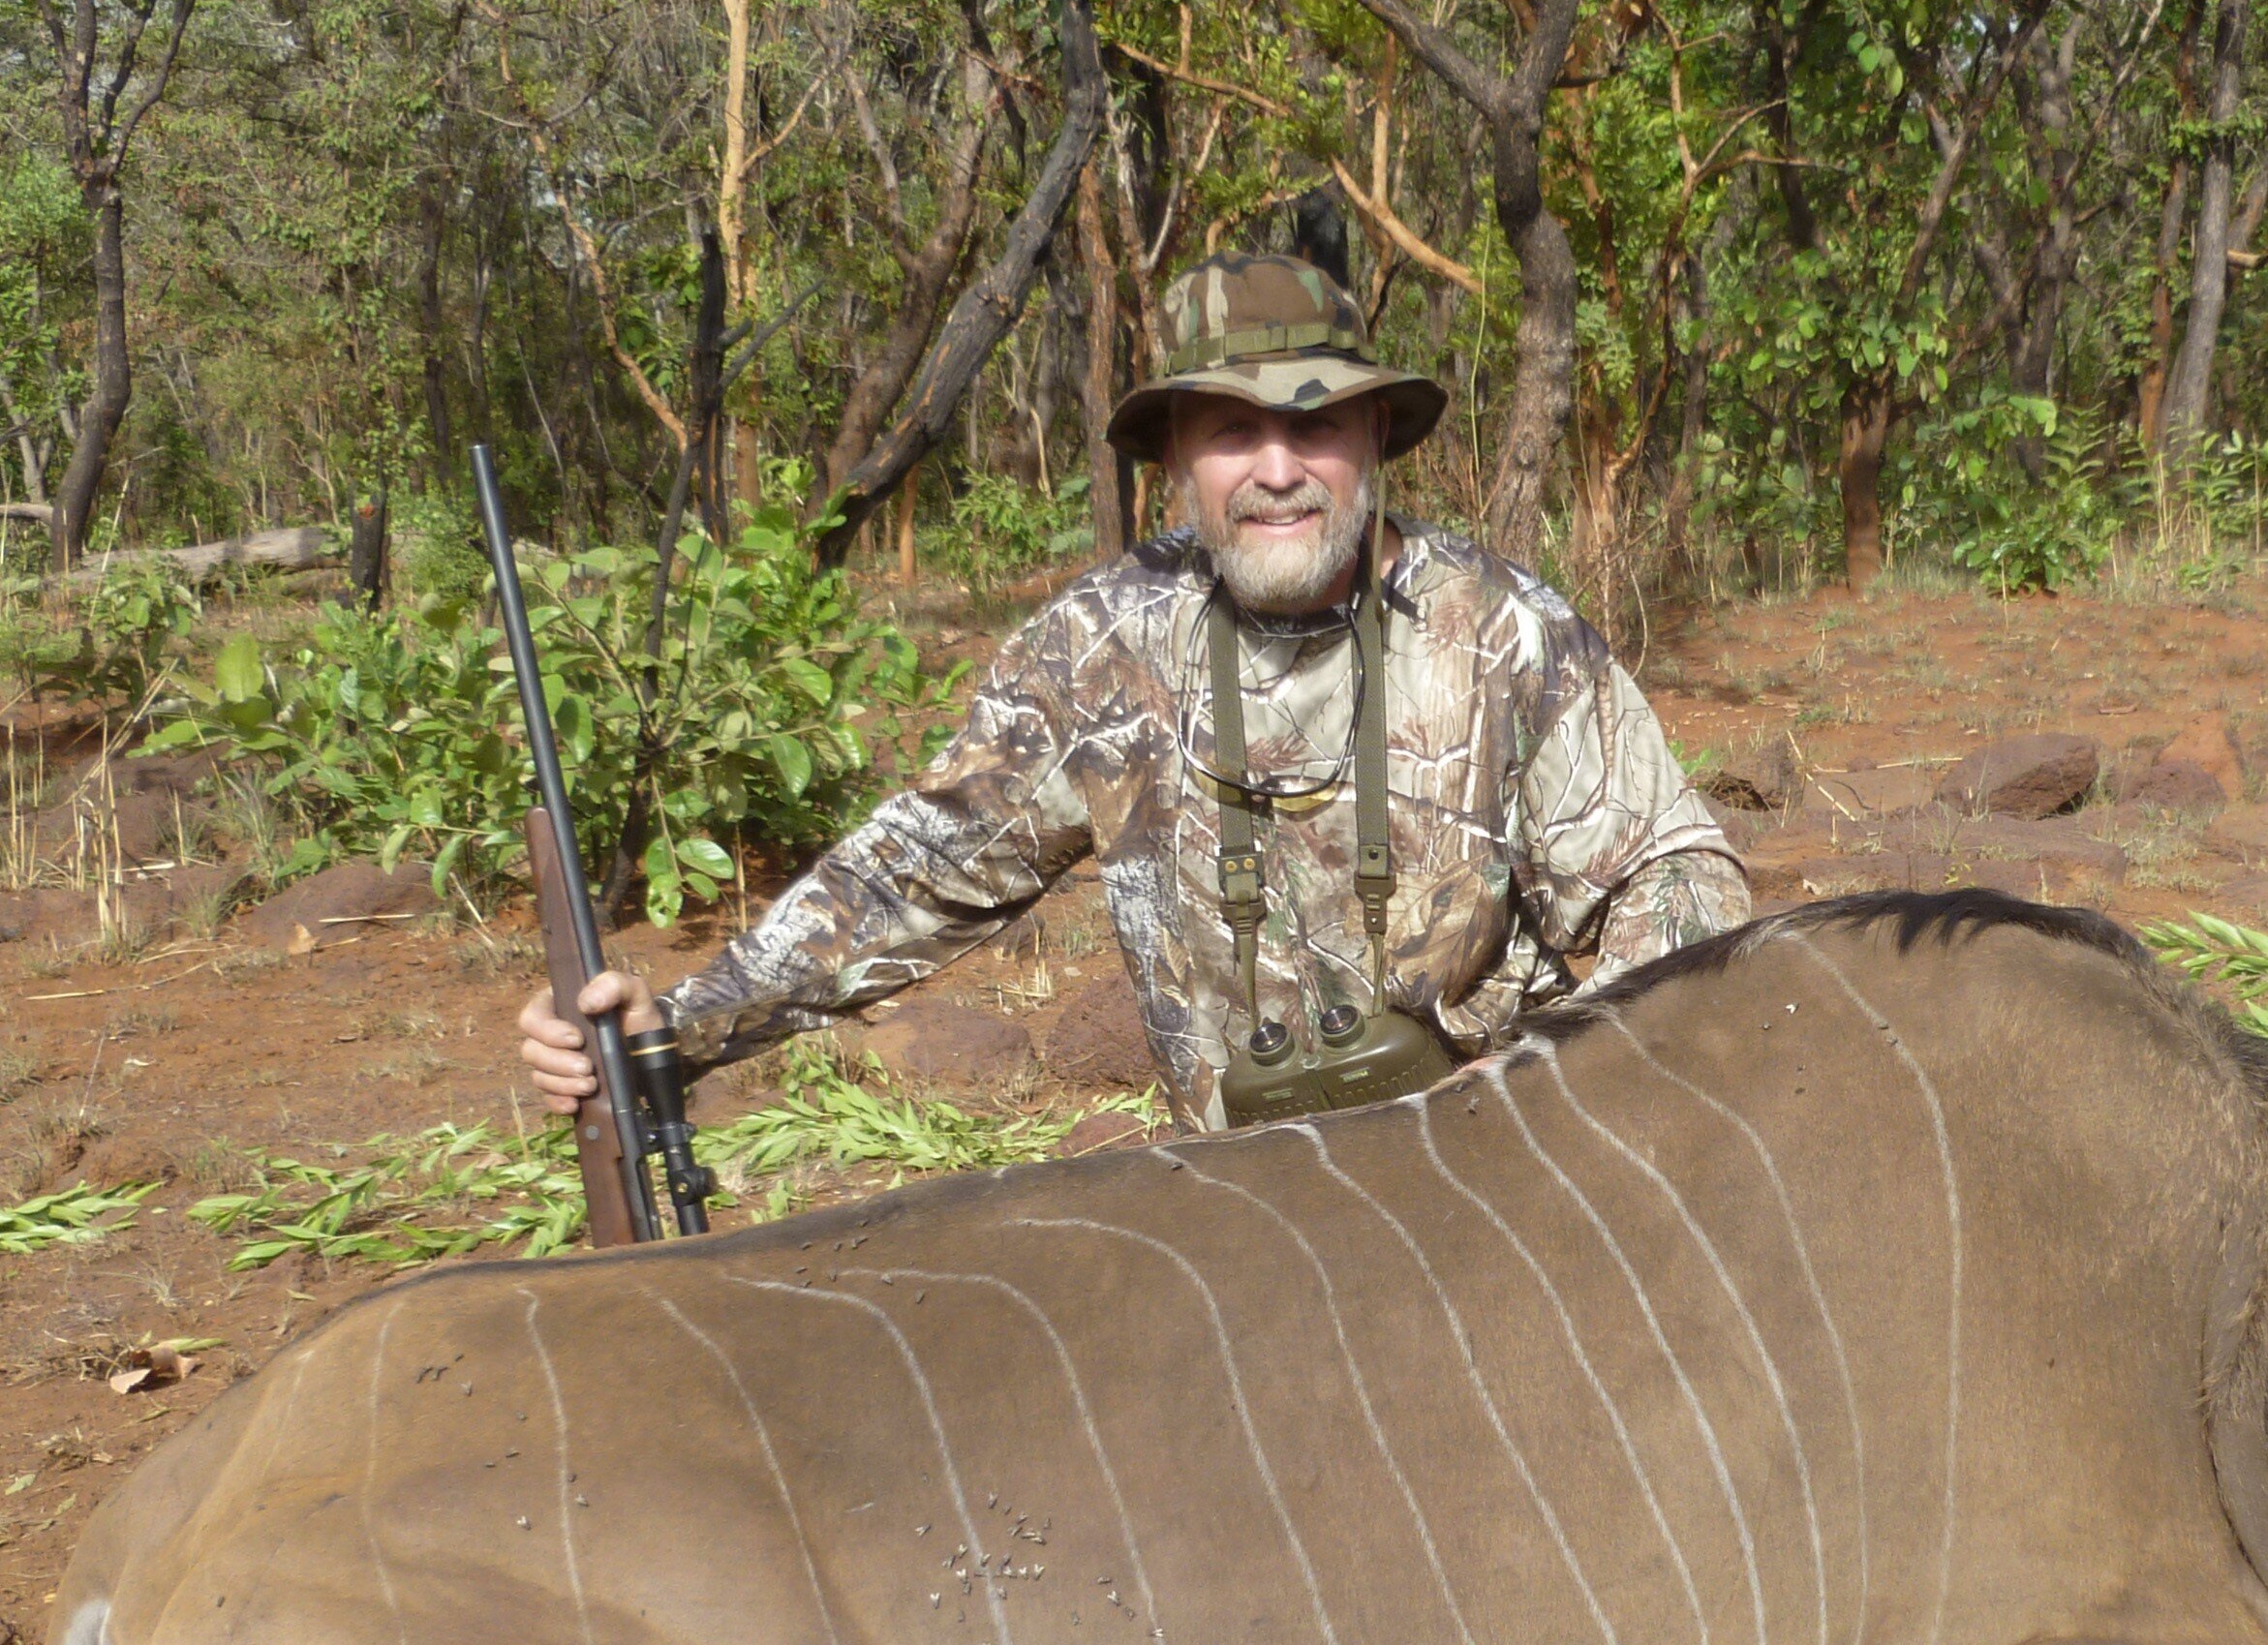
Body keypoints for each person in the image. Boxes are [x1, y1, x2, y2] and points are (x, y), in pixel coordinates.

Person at [517, 247, 1745, 1134]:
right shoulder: (1104, 647)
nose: (1277, 472)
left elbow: (1682, 876)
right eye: (1228, 430)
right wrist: (680, 1024)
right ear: (1173, 463)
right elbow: (917, 869)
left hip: (1492, 1165)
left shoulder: (1507, 635)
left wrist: (1561, 1084)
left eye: (1315, 427)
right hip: (1237, 1207)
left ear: (1377, 439)